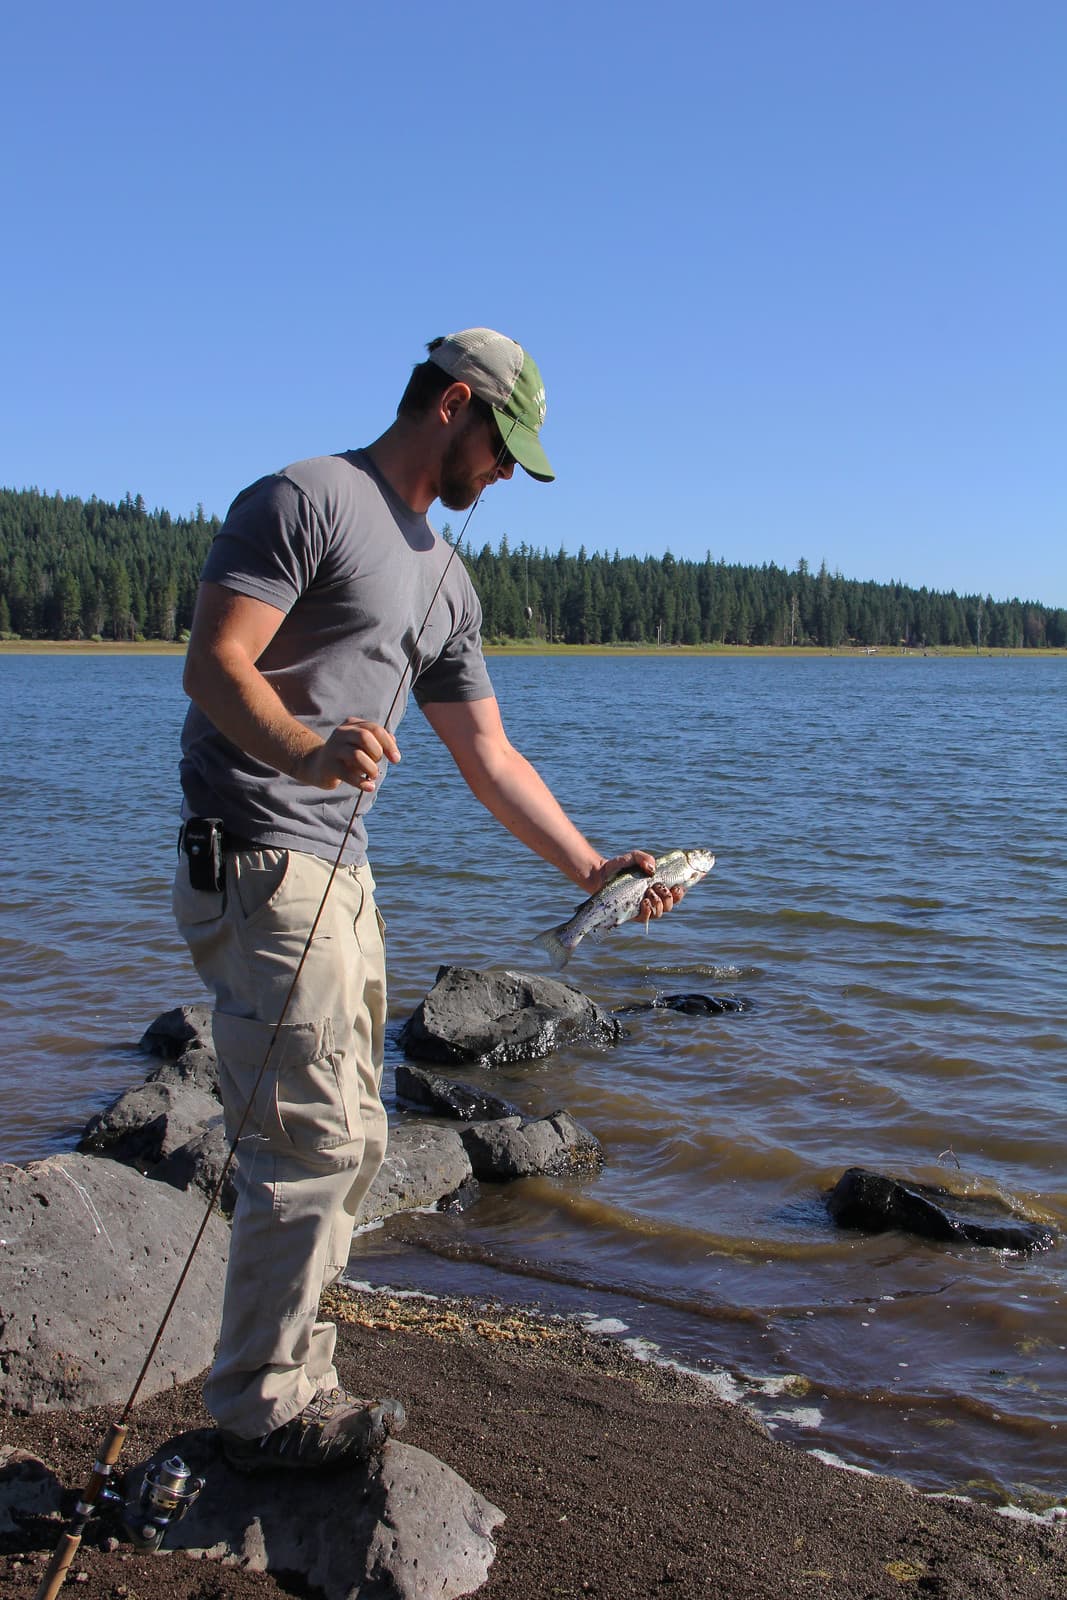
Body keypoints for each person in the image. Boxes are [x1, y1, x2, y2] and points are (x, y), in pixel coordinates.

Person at [173, 327, 683, 1473]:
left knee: (356, 1142)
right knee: (308, 1138)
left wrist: (593, 869)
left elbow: (489, 755)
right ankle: (259, 1413)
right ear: (454, 404)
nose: (506, 475)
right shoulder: (303, 498)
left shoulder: (447, 578)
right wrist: (308, 753)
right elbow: (215, 663)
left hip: (342, 878)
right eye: (504, 449)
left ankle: (300, 1375)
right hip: (257, 856)